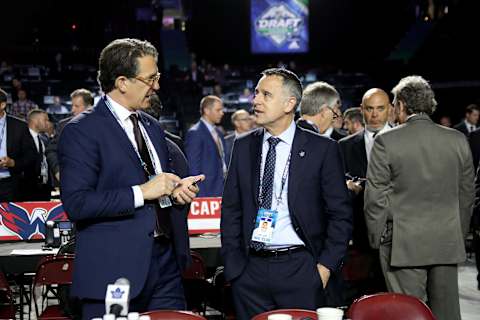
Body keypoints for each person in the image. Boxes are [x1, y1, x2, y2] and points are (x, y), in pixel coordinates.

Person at [58, 38, 204, 319]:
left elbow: (156, 189)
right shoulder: (81, 131)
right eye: (150, 79)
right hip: (113, 271)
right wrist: (142, 192)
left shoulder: (151, 126)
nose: (157, 87)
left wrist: (174, 193)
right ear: (122, 82)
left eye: (157, 77)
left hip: (165, 268)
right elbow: (77, 203)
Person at [221, 68, 352, 320]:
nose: (255, 100)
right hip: (250, 272)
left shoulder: (323, 149)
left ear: (289, 103)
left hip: (301, 269)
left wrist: (323, 270)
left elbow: (340, 216)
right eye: (257, 93)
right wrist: (235, 268)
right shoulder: (243, 145)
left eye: (266, 94)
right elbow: (231, 209)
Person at [364, 76, 474, 320]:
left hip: (402, 245)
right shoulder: (457, 139)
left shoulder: (386, 141)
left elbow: (375, 197)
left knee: (408, 313)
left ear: (401, 105)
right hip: (446, 241)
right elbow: (467, 196)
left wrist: (375, 239)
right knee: (447, 314)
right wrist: (458, 233)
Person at [339, 89, 392, 298]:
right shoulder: (343, 146)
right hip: (360, 232)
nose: (375, 114)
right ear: (362, 110)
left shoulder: (406, 142)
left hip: (397, 230)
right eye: (369, 109)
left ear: (391, 109)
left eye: (380, 108)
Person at [45, 89, 94, 183]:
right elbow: (51, 150)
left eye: (77, 106)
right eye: (72, 105)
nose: (72, 110)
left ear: (89, 107)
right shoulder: (64, 125)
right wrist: (57, 171)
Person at [185, 95, 226, 197]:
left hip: (222, 189)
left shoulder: (219, 132)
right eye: (218, 110)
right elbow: (193, 168)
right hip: (206, 193)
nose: (222, 113)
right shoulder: (195, 133)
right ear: (207, 111)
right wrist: (200, 196)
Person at [0, 88, 37, 201]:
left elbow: (31, 155)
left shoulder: (19, 126)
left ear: (2, 105)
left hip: (10, 185)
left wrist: (13, 162)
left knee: (10, 218)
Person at [24, 109, 52, 200]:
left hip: (44, 188)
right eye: (45, 120)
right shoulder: (22, 138)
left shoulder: (44, 138)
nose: (48, 123)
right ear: (35, 121)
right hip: (27, 188)